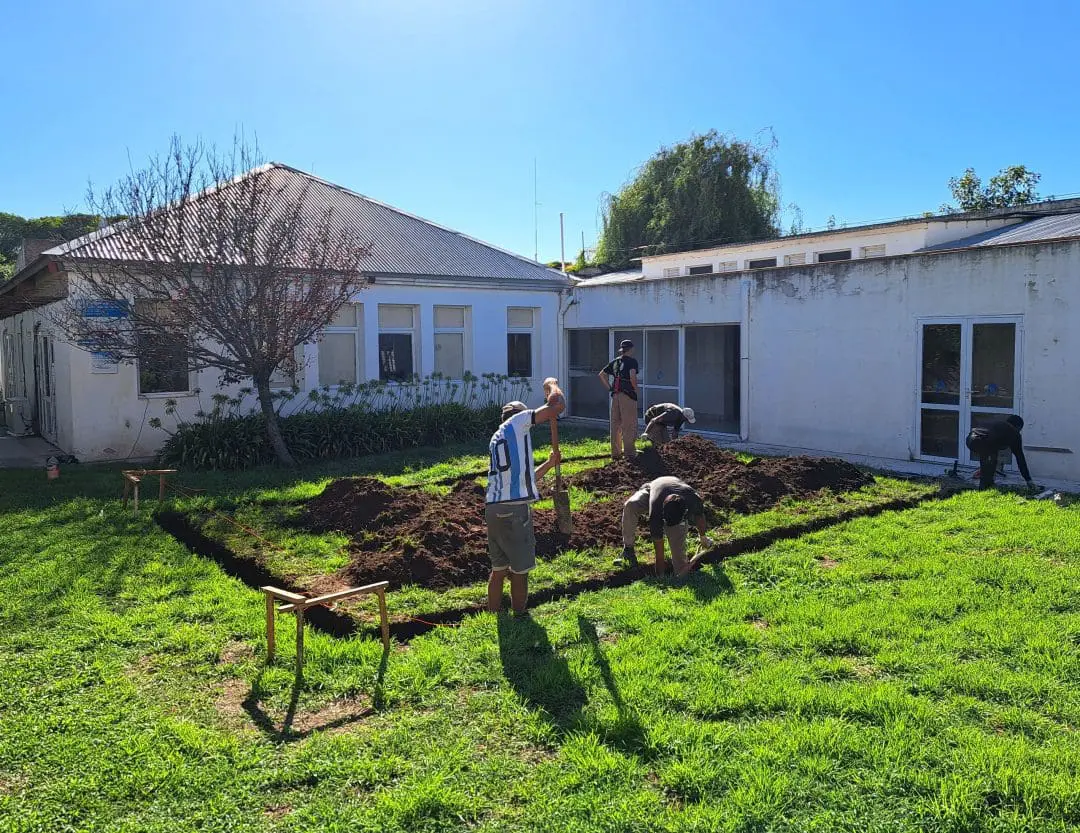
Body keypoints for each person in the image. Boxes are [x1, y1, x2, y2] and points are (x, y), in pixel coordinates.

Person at [485, 396, 564, 614]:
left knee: (499, 569)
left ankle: (494, 615)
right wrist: (552, 386)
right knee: (520, 571)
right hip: (514, 511)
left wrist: (549, 464)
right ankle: (520, 617)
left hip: (493, 508)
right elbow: (557, 406)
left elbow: (523, 480)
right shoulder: (518, 423)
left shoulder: (497, 438)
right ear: (518, 415)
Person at [619, 476, 714, 577]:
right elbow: (659, 554)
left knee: (679, 559)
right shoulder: (655, 512)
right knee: (630, 505)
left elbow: (700, 517)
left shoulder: (693, 499)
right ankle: (628, 549)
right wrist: (660, 577)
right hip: (653, 488)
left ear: (685, 513)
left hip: (675, 488)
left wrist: (703, 537)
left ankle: (682, 571)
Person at [965, 415, 1034, 490]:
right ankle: (984, 489)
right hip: (983, 441)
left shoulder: (999, 425)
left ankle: (988, 484)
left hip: (970, 439)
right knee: (989, 462)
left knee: (991, 460)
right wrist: (1028, 480)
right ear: (1018, 427)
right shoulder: (1014, 432)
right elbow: (1020, 457)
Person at [598, 339, 640, 460]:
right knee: (629, 424)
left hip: (615, 395)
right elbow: (632, 377)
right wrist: (636, 389)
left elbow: (601, 374)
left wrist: (610, 388)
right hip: (627, 395)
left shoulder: (616, 361)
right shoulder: (632, 362)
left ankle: (616, 454)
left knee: (615, 424)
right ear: (631, 349)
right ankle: (630, 454)